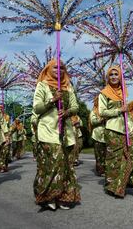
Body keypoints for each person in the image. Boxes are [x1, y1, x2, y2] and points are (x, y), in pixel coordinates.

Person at [32, 59, 81, 210]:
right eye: (55, 68)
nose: (58, 70)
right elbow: (37, 108)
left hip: (65, 131)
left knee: (66, 165)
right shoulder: (42, 85)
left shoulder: (68, 86)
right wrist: (52, 100)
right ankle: (48, 196)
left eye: (61, 68)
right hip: (48, 130)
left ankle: (63, 196)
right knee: (54, 162)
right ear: (48, 69)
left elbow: (75, 106)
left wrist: (67, 112)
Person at [99, 65, 133, 199]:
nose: (114, 77)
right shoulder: (104, 93)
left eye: (116, 74)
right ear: (108, 77)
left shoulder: (124, 91)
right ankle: (113, 186)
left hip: (127, 129)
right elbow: (102, 112)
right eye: (111, 75)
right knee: (114, 160)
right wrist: (119, 110)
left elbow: (127, 111)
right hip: (113, 130)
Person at [89, 95, 106, 176]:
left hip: (106, 135)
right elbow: (92, 121)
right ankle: (100, 170)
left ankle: (106, 169)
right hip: (97, 135)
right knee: (99, 154)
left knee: (106, 153)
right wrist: (101, 120)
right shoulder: (94, 111)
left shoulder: (105, 110)